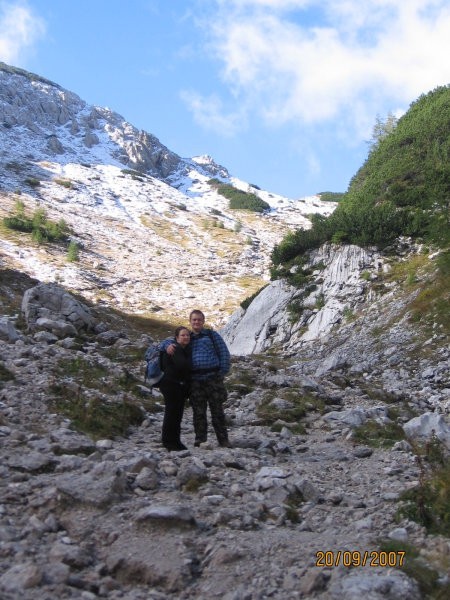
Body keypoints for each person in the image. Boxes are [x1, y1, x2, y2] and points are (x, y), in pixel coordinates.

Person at [164, 310, 231, 448]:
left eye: (199, 320)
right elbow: (170, 341)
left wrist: (222, 372)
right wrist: (166, 346)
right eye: (194, 320)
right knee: (198, 411)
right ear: (190, 321)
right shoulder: (187, 337)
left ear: (203, 321)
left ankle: (223, 439)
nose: (197, 322)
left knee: (217, 410)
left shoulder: (212, 335)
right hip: (195, 379)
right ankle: (200, 439)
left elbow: (224, 352)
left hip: (213, 377)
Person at [158, 326, 192, 451]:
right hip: (172, 385)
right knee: (172, 413)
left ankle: (175, 441)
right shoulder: (175, 349)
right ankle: (169, 441)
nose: (186, 337)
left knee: (176, 414)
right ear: (177, 337)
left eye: (187, 335)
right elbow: (182, 365)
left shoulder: (177, 348)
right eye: (183, 335)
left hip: (174, 385)